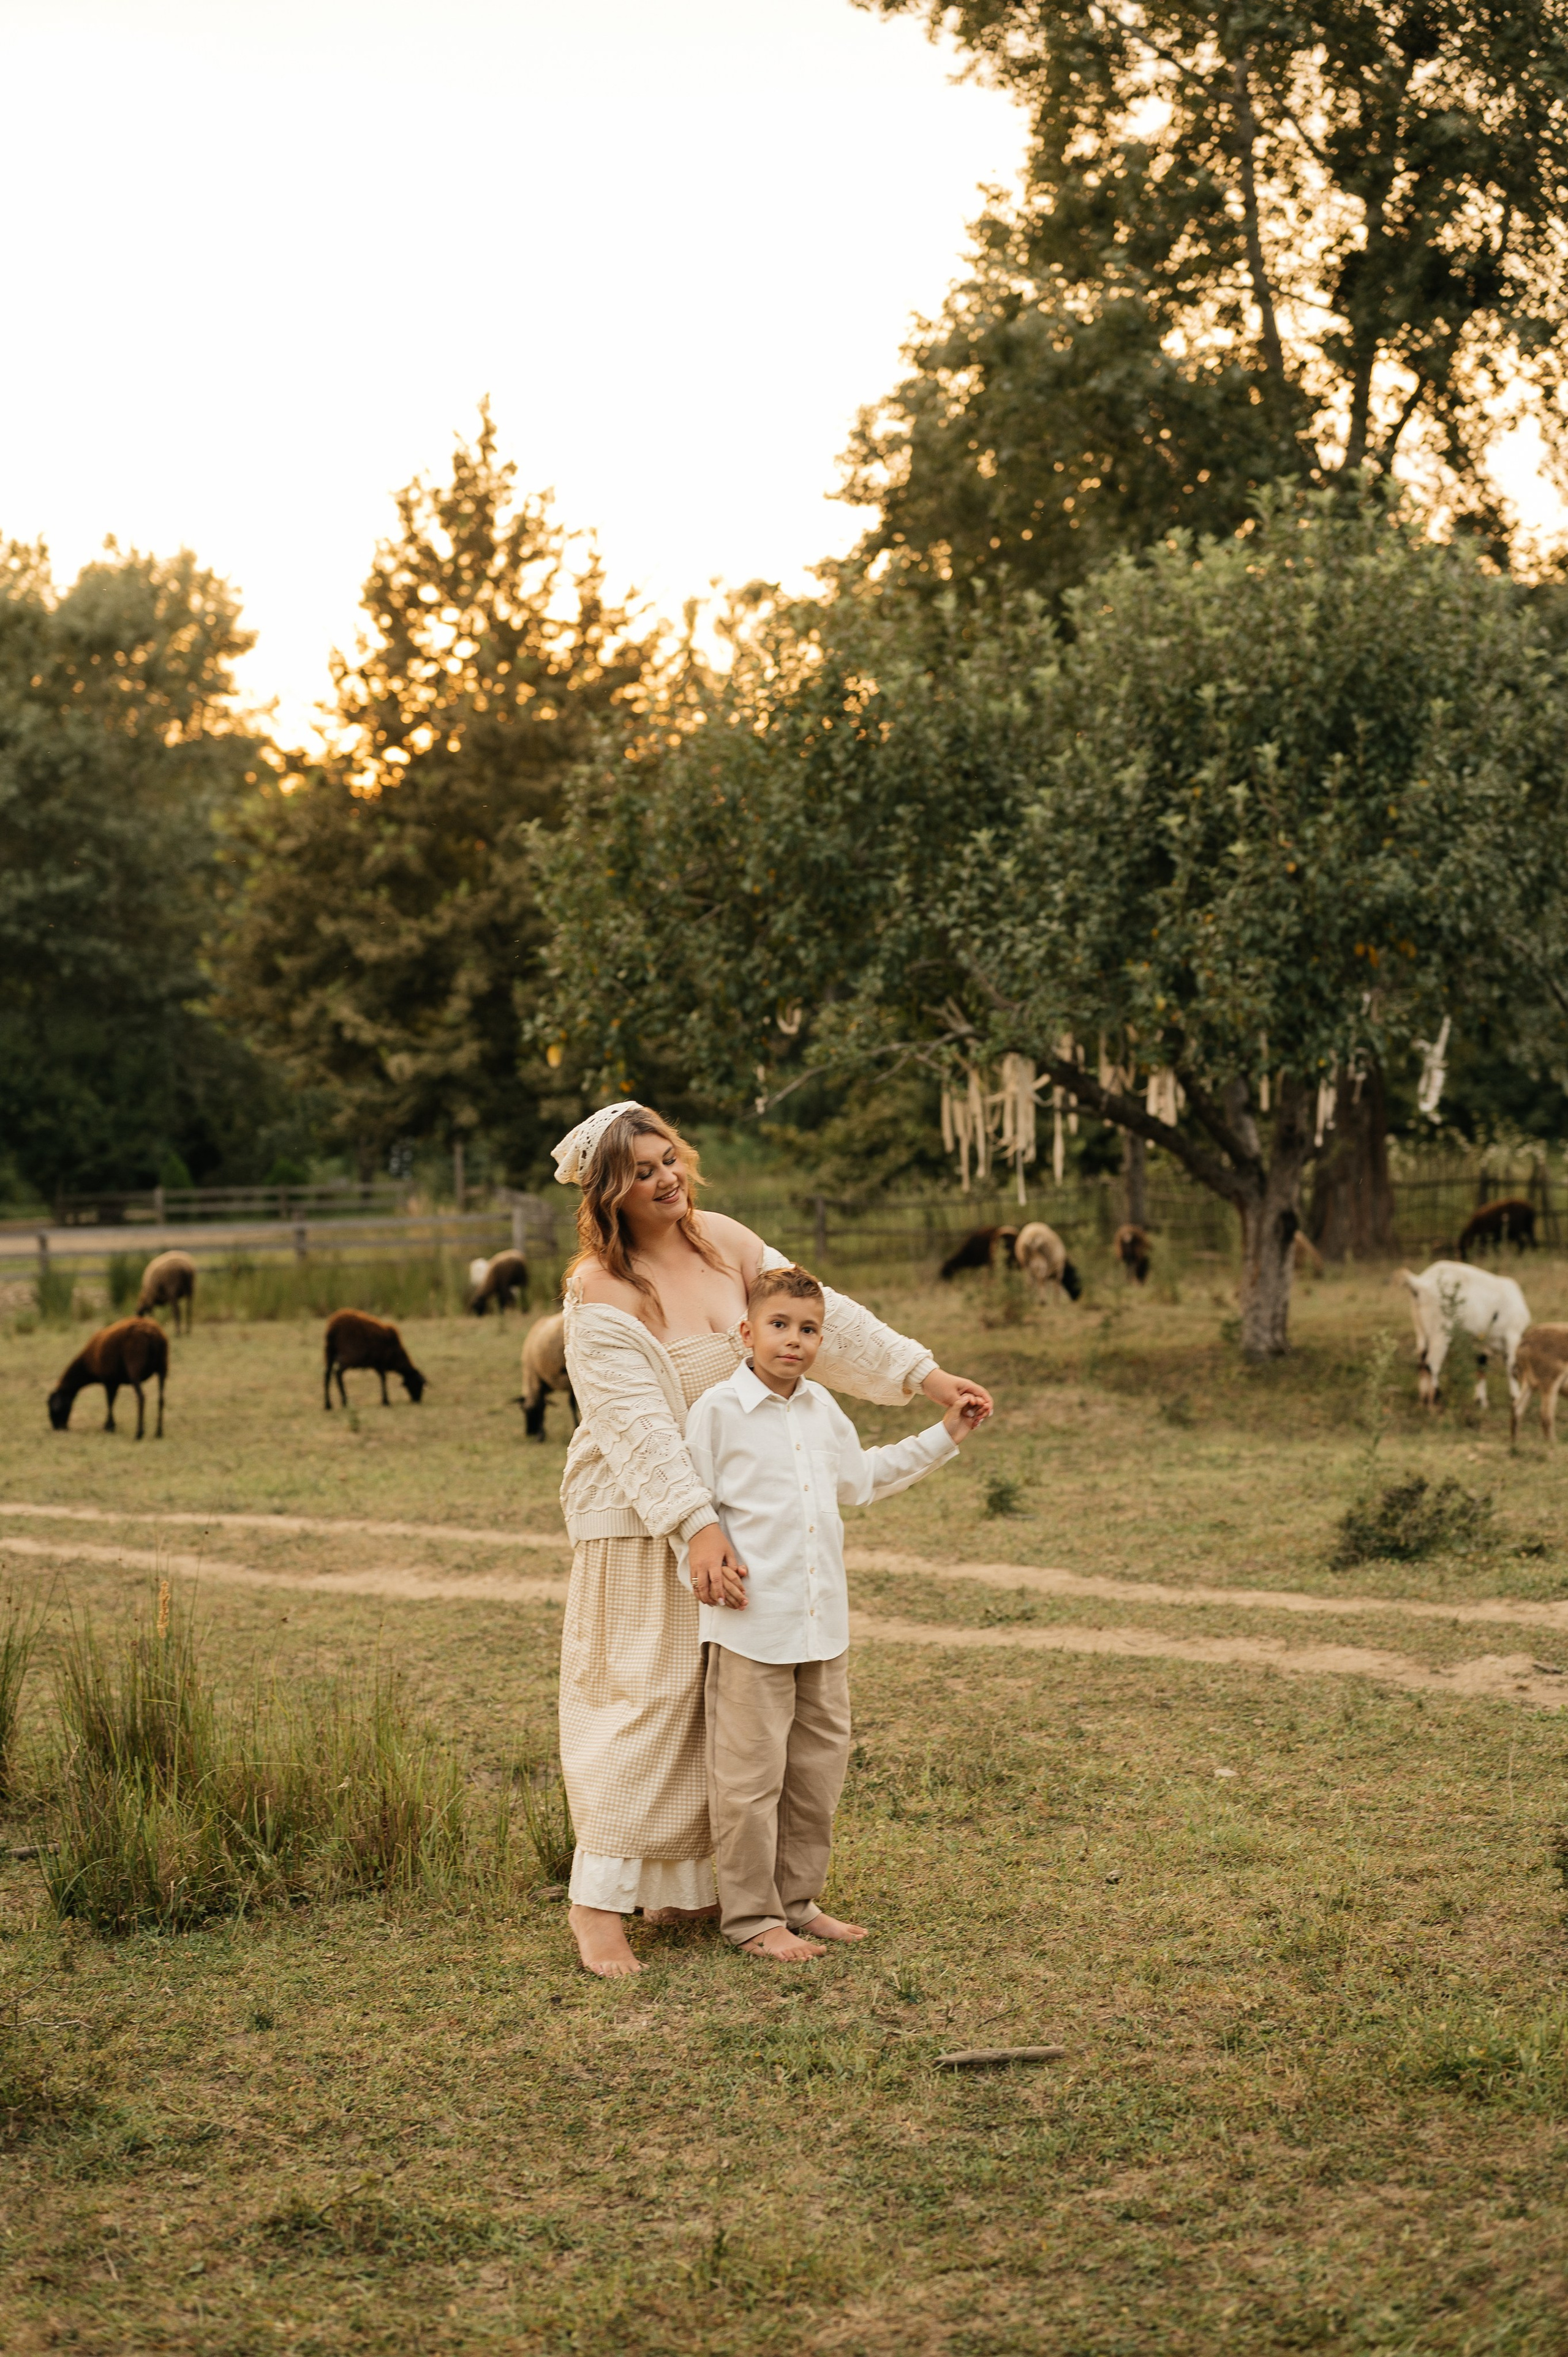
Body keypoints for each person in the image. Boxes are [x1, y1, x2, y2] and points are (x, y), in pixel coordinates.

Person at [552, 1100, 993, 1979]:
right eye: (641, 1172)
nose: (666, 1179)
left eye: (669, 1158)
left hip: (738, 1509)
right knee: (649, 1700)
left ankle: (699, 1888)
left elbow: (829, 1318)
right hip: (645, 1512)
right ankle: (595, 1906)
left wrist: (927, 1377)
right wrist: (694, 1525)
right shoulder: (600, 1289)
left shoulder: (726, 1240)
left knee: (723, 1717)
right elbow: (637, 1429)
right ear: (608, 1192)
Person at [686, 1262, 980, 1960]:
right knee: (749, 1783)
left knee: (816, 1775)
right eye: (779, 1325)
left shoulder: (822, 1409)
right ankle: (752, 1918)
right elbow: (690, 1508)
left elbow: (862, 1479)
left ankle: (798, 1902)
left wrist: (946, 1434)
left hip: (822, 1626)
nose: (794, 1340)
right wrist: (703, 1569)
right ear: (746, 1332)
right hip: (752, 1628)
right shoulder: (717, 1413)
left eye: (809, 1329)